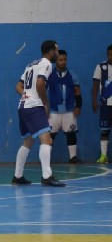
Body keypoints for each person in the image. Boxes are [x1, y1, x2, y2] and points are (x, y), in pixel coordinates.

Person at [12, 40, 65, 187]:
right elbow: (40, 83)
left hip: (23, 106)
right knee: (47, 140)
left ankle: (17, 176)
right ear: (51, 51)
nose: (58, 53)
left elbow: (18, 86)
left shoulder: (31, 64)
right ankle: (47, 176)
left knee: (28, 142)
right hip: (34, 107)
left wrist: (26, 95)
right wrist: (45, 103)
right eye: (57, 50)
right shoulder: (46, 63)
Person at [47, 49, 83, 164]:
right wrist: (44, 107)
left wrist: (78, 106)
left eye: (65, 60)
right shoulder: (49, 75)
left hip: (69, 110)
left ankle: (73, 157)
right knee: (50, 135)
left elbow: (77, 92)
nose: (63, 62)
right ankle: (46, 158)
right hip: (53, 111)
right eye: (60, 60)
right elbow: (42, 91)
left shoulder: (72, 75)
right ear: (56, 61)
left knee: (71, 133)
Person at [92, 44, 112, 164]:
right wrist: (94, 100)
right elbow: (95, 85)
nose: (111, 57)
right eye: (109, 54)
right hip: (105, 104)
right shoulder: (100, 67)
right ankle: (103, 155)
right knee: (105, 130)